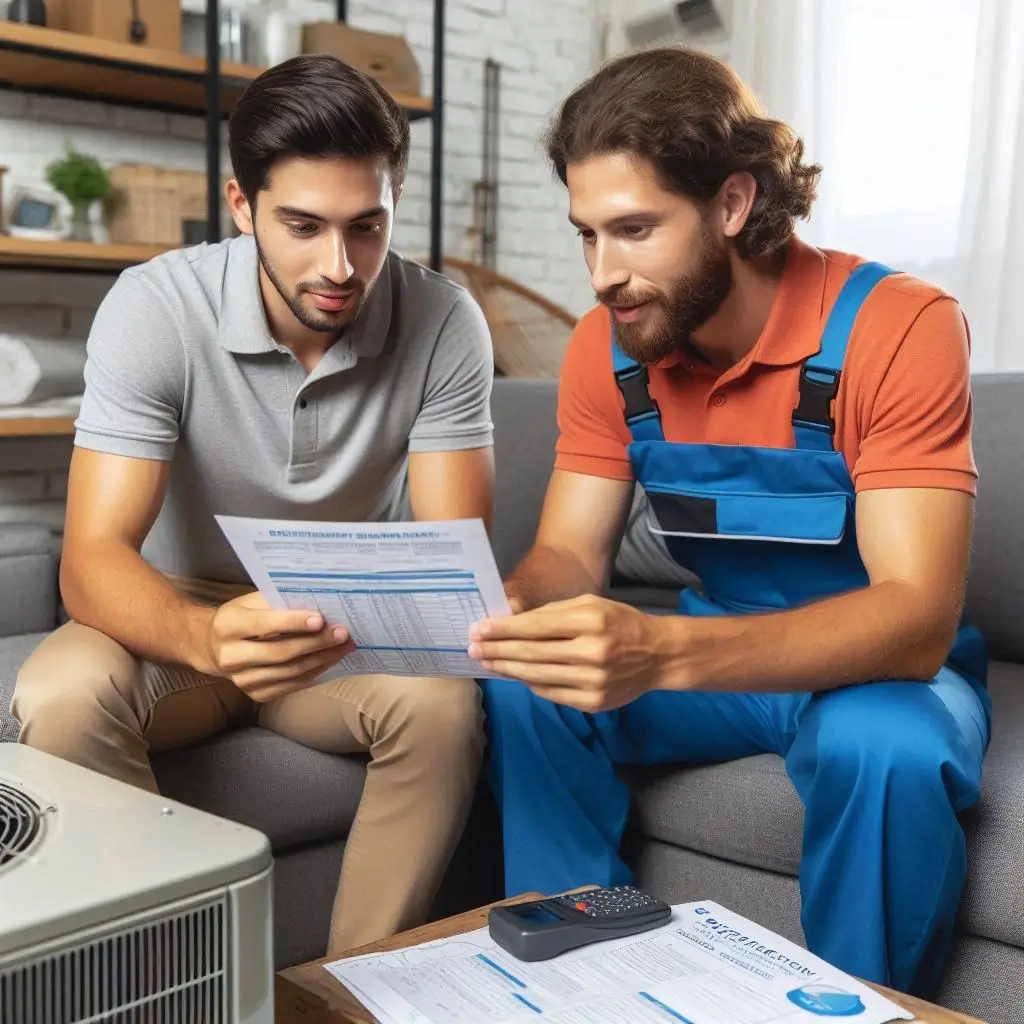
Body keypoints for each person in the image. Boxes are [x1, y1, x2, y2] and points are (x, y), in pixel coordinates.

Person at [472, 47, 991, 998]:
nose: (602, 274)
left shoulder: (899, 327)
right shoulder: (611, 347)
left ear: (733, 204)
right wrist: (506, 609)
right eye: (587, 234)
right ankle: (580, 985)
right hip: (725, 650)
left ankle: (852, 1008)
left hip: (870, 667)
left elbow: (915, 619)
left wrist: (659, 653)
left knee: (887, 749)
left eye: (633, 230)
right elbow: (567, 555)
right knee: (526, 684)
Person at [11, 55, 496, 953]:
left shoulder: (444, 319)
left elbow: (449, 558)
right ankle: (172, 981)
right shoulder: (156, 306)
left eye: (368, 227)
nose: (339, 266)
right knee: (58, 693)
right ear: (241, 205)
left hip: (346, 626)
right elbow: (93, 558)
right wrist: (206, 636)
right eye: (303, 226)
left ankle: (348, 993)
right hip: (175, 620)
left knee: (443, 706)